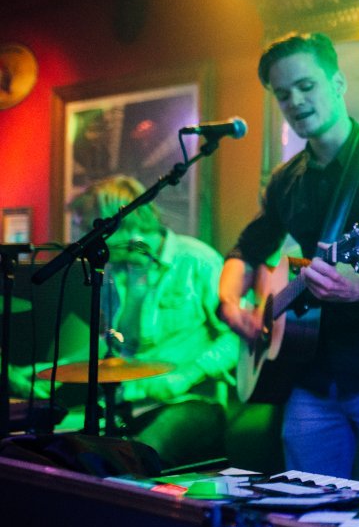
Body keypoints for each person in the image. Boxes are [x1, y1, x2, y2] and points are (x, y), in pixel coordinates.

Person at [218, 32, 359, 489]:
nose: (295, 101)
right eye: (283, 94)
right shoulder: (286, 180)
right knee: (305, 510)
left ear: (338, 83)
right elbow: (246, 249)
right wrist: (229, 304)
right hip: (309, 377)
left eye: (306, 86)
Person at [50, 176, 238, 469]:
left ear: (115, 224)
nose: (84, 239)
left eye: (88, 228)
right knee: (65, 451)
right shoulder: (113, 272)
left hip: (190, 402)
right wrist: (50, 371)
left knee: (133, 460)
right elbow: (111, 345)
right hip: (129, 403)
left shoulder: (196, 260)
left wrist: (188, 374)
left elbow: (236, 336)